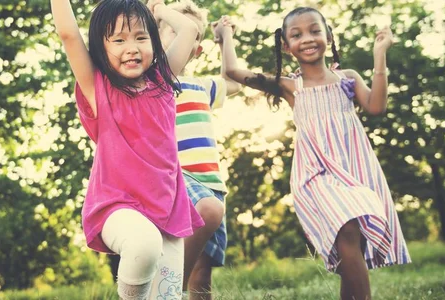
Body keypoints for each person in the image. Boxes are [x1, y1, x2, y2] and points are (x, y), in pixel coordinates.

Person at [214, 7, 411, 300]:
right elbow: (233, 72)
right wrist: (225, 36)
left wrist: (380, 54)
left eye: (315, 31)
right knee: (346, 226)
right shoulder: (290, 86)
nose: (307, 39)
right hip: (316, 175)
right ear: (285, 45)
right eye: (297, 34)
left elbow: (376, 106)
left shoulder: (347, 78)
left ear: (329, 37)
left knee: (351, 243)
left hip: (355, 172)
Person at [50, 0, 205, 298]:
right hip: (117, 206)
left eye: (141, 37)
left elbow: (189, 27)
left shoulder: (162, 81)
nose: (131, 47)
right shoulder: (98, 89)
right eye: (119, 40)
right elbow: (68, 34)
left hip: (169, 211)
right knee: (143, 243)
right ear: (100, 49)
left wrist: (158, 9)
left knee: (167, 296)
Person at [155, 2, 241, 299]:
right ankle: (166, 290)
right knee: (207, 210)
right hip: (177, 179)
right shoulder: (155, 83)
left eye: (190, 35)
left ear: (197, 50)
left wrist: (225, 37)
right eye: (173, 30)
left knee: (203, 270)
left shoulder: (201, 85)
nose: (183, 36)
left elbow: (234, 81)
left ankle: (174, 288)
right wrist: (159, 10)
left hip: (211, 183)